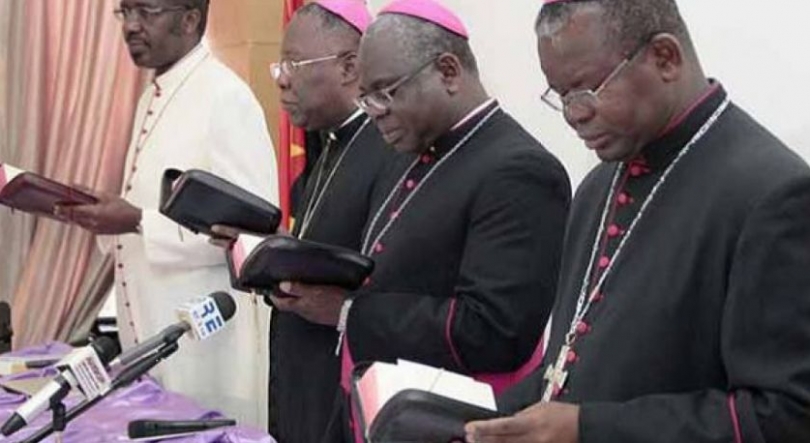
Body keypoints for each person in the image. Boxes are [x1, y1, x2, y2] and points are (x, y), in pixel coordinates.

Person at [465, 1, 810, 442]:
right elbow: (570, 369)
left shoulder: (773, 194)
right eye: (561, 96)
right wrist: (468, 414)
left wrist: (589, 430)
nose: (574, 115)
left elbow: (785, 416)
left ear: (664, 58)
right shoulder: (596, 188)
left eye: (585, 90)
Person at [270, 0, 571, 441]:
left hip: (446, 423)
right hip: (375, 410)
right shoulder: (413, 154)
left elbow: (495, 332)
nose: (372, 110)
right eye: (367, 95)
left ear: (448, 72)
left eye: (385, 92)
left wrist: (348, 312)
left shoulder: (518, 169)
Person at [61, 0, 278, 427]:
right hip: (150, 329)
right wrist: (104, 212)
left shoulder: (225, 97)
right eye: (125, 12)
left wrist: (137, 221)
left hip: (205, 345)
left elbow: (250, 236)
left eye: (146, 11)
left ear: (190, 18)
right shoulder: (153, 96)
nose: (131, 26)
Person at [268, 2, 402, 442]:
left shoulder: (389, 152)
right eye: (280, 65)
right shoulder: (327, 150)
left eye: (293, 64)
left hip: (345, 390)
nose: (282, 79)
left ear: (349, 68)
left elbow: (390, 282)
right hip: (301, 380)